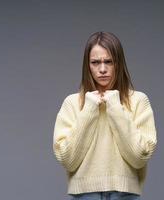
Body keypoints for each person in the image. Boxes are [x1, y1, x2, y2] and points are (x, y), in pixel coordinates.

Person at [53, 31, 157, 200]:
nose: (102, 69)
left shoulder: (139, 101)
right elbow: (68, 160)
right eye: (95, 62)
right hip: (83, 195)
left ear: (119, 63)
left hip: (125, 195)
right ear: (87, 66)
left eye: (108, 62)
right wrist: (90, 107)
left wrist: (115, 105)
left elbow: (140, 157)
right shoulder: (72, 103)